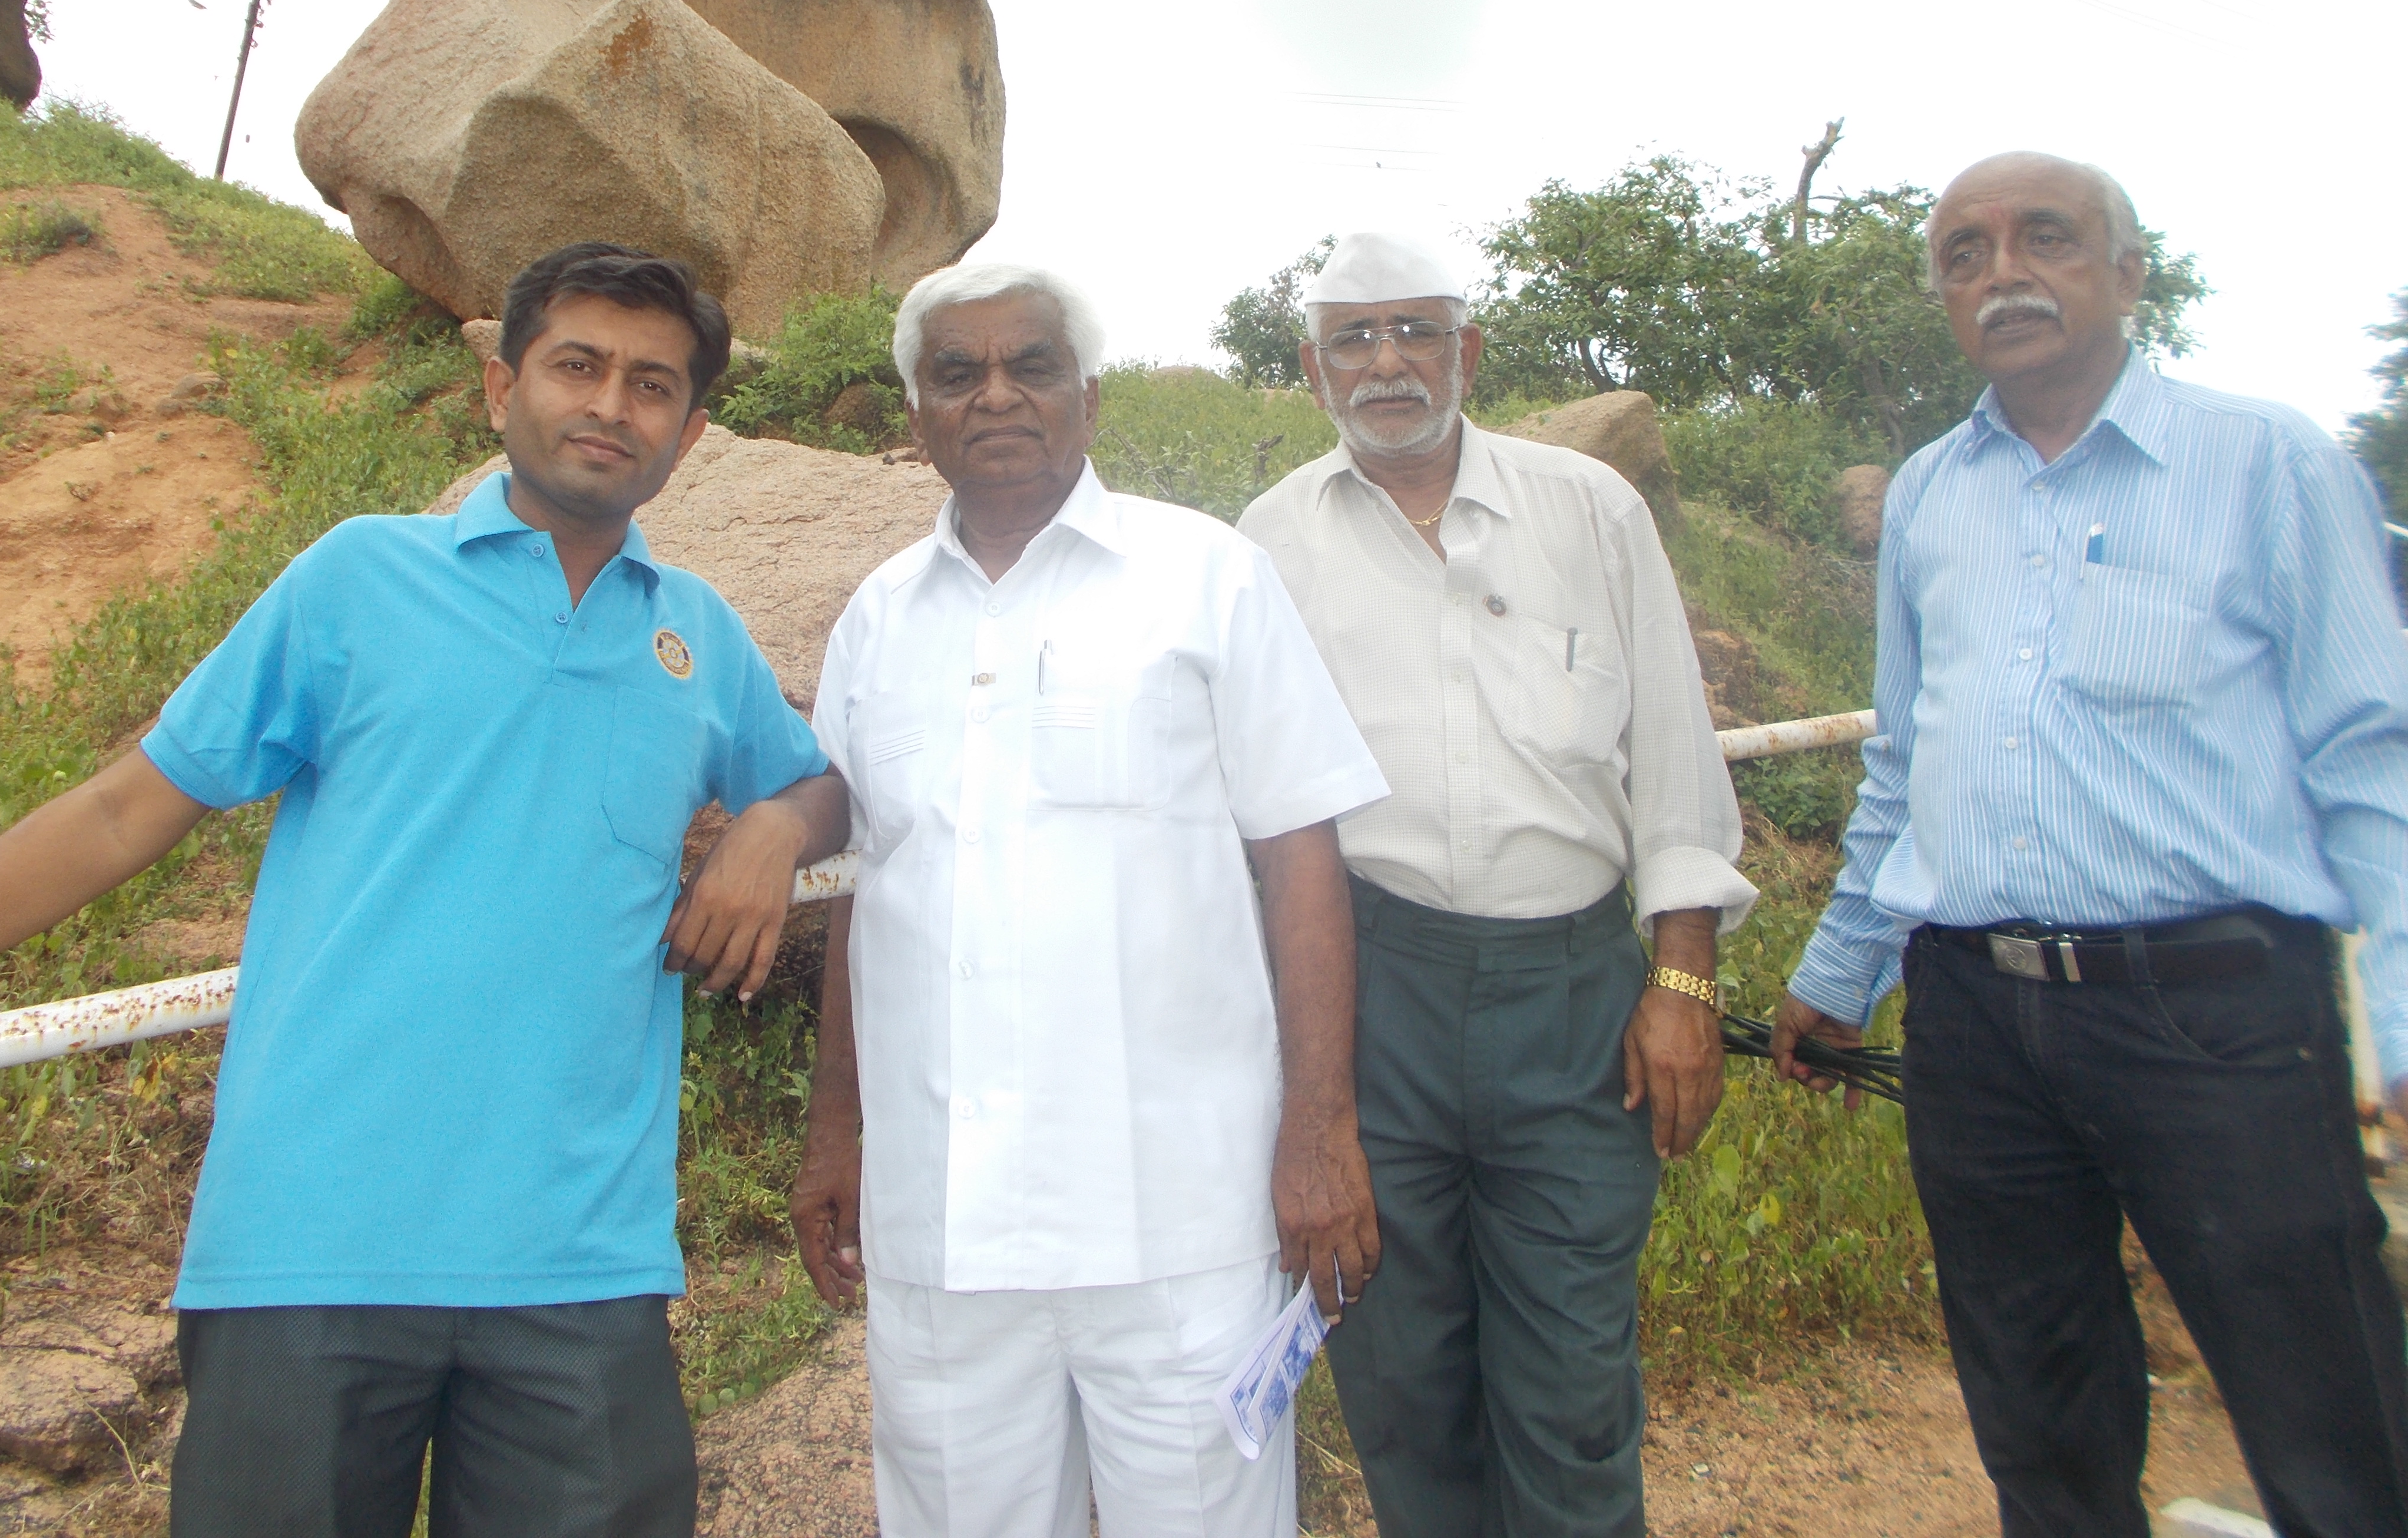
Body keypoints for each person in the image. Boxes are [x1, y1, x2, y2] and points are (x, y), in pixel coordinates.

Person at [0, 241, 849, 1538]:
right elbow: (117, 812)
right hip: (308, 1249)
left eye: (651, 386)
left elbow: (826, 793)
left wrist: (771, 823)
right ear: (498, 388)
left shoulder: (695, 634)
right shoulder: (360, 579)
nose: (607, 406)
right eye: (575, 365)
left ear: (689, 436)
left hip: (582, 1269)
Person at [1771, 152, 2408, 1536]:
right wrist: (1840, 969)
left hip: (2220, 1013)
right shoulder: (1935, 496)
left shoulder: (2272, 461)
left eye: (2043, 239)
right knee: (2039, 1421)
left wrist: (2407, 1025)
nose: (2002, 272)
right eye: (1964, 254)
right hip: (1977, 1020)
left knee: (2327, 1407)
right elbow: (1907, 757)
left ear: (2128, 271)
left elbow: (2375, 759)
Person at [789, 261, 1390, 1538]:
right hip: (942, 1229)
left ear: (1089, 399)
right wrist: (836, 1127)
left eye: (1032, 366)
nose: (996, 394)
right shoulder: (878, 622)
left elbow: (1302, 860)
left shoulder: (1207, 578)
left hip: (1182, 1220)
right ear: (917, 415)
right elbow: (866, 889)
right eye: (957, 373)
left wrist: (1322, 1133)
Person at [1237, 230, 1754, 1538]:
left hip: (1576, 1000)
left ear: (1469, 350)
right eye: (1353, 338)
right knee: (1400, 1379)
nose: (1387, 362)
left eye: (1415, 330)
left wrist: (1683, 975)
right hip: (1372, 995)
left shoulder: (1591, 509)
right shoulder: (1269, 542)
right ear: (1312, 371)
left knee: (1573, 1388)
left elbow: (1674, 764)